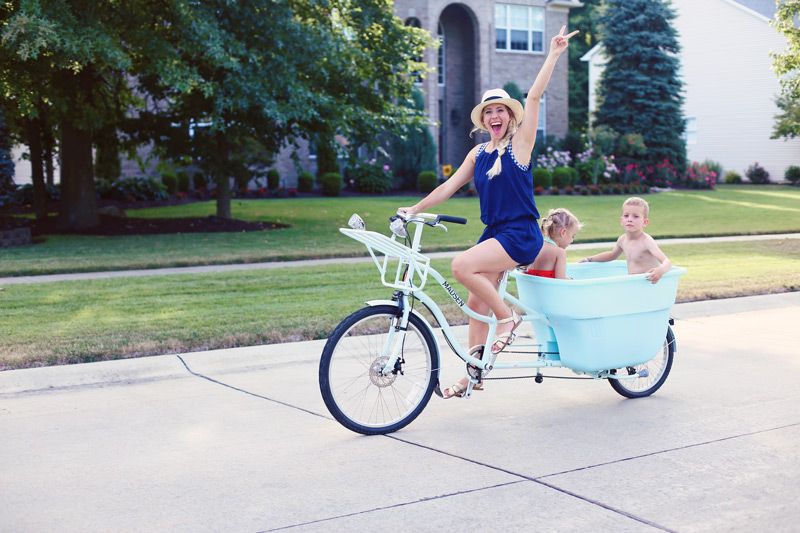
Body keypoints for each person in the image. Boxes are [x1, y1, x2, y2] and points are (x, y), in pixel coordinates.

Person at [399, 26, 578, 399]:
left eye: (500, 110)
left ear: (509, 117)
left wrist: (554, 54)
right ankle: (472, 377)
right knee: (476, 304)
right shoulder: (478, 154)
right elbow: (448, 188)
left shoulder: (520, 147)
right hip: (496, 235)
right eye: (489, 112)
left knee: (461, 267)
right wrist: (414, 209)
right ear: (483, 120)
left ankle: (508, 318)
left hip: (521, 234)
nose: (495, 116)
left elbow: (533, 96)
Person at [579, 197, 672, 284]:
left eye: (636, 216)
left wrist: (661, 270)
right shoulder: (622, 240)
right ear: (621, 220)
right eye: (626, 216)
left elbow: (666, 261)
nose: (630, 219)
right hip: (632, 283)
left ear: (645, 222)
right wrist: (590, 259)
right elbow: (611, 255)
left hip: (647, 284)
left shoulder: (646, 241)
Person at [526, 208, 583, 279]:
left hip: (530, 288)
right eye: (573, 236)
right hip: (548, 289)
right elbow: (560, 279)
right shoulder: (560, 252)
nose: (572, 240)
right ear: (563, 232)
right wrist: (571, 279)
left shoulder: (535, 246)